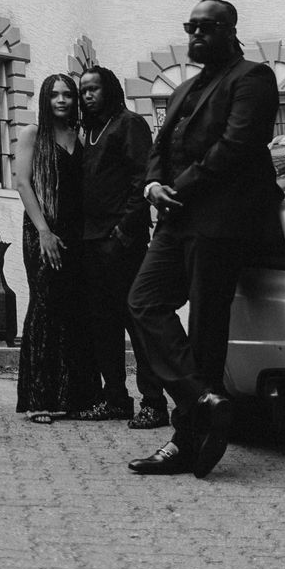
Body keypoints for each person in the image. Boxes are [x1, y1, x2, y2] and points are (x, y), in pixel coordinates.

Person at [126, 0, 280, 478]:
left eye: (205, 28)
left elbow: (237, 145)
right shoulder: (183, 88)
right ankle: (206, 400)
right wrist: (153, 185)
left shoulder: (253, 77)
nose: (195, 37)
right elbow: (160, 146)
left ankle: (186, 439)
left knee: (207, 329)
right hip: (175, 218)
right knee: (143, 302)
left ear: (231, 30)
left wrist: (179, 188)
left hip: (221, 218)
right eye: (190, 28)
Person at [69, 66, 167, 429]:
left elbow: (142, 180)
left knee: (135, 322)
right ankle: (116, 400)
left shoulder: (130, 124)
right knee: (103, 325)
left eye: (94, 89)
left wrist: (124, 231)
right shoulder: (88, 131)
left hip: (122, 241)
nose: (88, 96)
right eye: (84, 91)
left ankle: (154, 403)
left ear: (109, 89)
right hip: (91, 241)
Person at [14, 72, 93, 422]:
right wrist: (44, 231)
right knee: (45, 306)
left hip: (77, 233)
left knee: (75, 309)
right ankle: (39, 400)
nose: (62, 100)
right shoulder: (34, 134)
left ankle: (74, 398)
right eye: (55, 95)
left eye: (68, 95)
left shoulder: (82, 136)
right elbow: (22, 182)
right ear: (45, 100)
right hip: (42, 231)